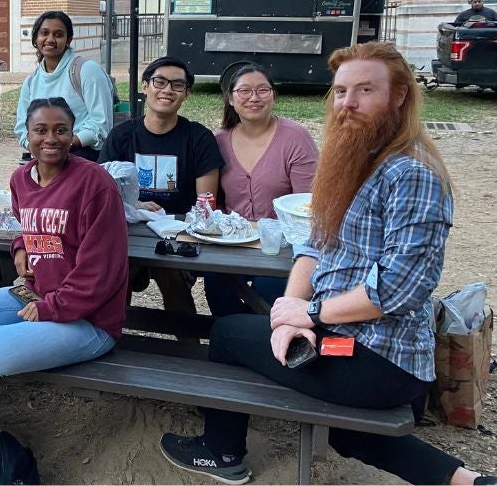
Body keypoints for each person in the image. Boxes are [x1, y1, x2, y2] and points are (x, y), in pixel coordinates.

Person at [160, 42, 494, 486]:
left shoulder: (411, 172)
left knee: (227, 332)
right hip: (341, 335)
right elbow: (314, 243)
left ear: (399, 96)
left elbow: (398, 288)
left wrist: (311, 313)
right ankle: (468, 482)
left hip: (378, 357)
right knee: (344, 433)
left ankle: (222, 451)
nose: (348, 103)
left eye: (365, 90)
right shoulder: (360, 159)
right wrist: (289, 314)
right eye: (339, 91)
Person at [0, 98, 128, 486]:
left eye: (60, 130)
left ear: (74, 136)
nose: (50, 139)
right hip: (37, 294)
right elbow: (29, 226)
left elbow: (102, 272)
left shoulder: (95, 184)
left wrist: (53, 307)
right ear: (27, 134)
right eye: (41, 130)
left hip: (90, 319)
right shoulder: (21, 179)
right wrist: (19, 245)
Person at [99, 56, 221, 313]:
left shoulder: (199, 138)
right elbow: (103, 192)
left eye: (177, 85)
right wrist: (135, 204)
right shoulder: (121, 135)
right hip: (128, 229)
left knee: (170, 272)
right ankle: (112, 340)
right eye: (160, 82)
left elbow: (206, 203)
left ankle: (186, 349)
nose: (167, 90)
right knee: (118, 273)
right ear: (145, 86)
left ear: (186, 94)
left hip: (179, 231)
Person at [206, 63, 318, 319]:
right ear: (231, 98)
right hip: (234, 243)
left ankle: (267, 344)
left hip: (284, 247)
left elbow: (307, 206)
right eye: (244, 91)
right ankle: (231, 342)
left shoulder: (295, 138)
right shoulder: (219, 140)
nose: (254, 98)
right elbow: (215, 202)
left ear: (273, 95)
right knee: (216, 281)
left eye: (262, 90)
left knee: (270, 287)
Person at [14, 10, 113, 161]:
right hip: (43, 161)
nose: (50, 39)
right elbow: (22, 128)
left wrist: (63, 146)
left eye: (58, 34)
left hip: (82, 158)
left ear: (69, 39)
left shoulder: (87, 71)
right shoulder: (31, 81)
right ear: (36, 37)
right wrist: (40, 149)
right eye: (44, 33)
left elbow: (100, 124)